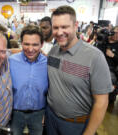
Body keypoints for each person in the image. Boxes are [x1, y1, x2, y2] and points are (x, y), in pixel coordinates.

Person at [46, 5, 112, 135]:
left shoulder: (95, 57)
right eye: (56, 27)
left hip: (76, 125)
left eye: (64, 27)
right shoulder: (53, 51)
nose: (59, 32)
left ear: (75, 25)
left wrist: (89, 133)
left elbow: (102, 101)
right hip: (50, 118)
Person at [9, 25, 48, 135]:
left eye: (35, 44)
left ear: (42, 44)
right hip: (15, 113)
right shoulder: (11, 61)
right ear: (21, 43)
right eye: (26, 44)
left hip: (39, 114)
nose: (30, 49)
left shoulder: (48, 63)